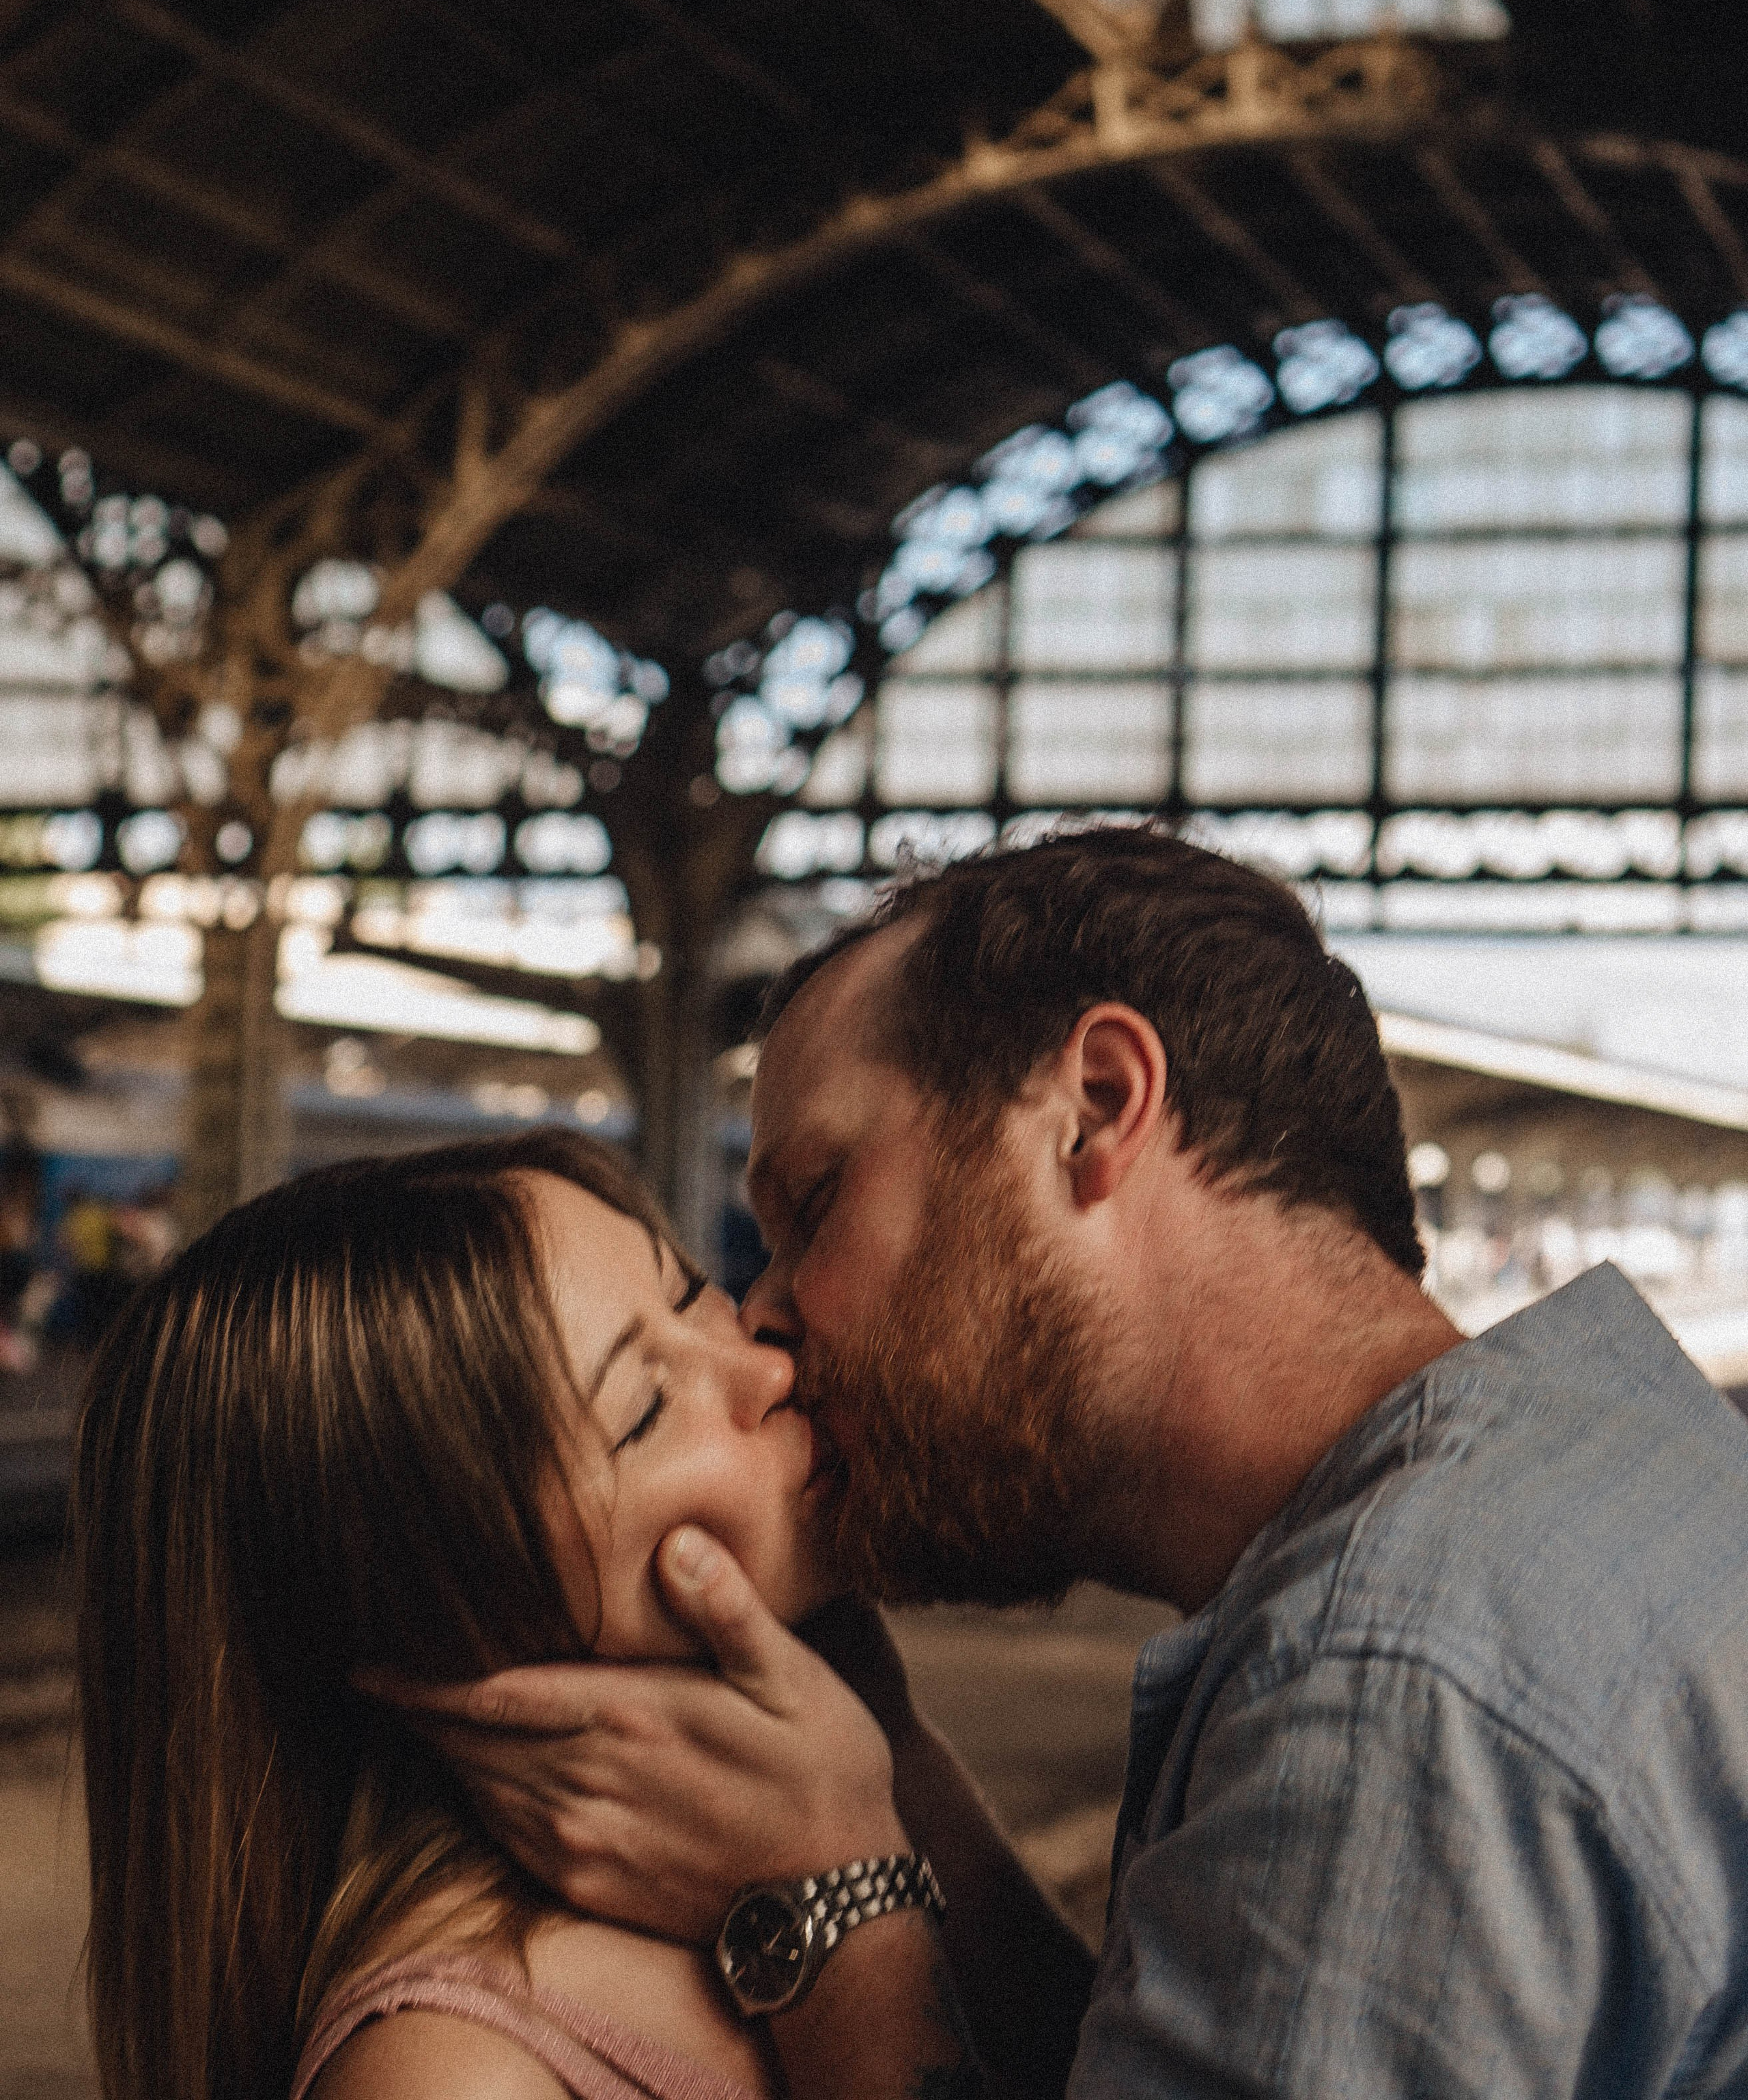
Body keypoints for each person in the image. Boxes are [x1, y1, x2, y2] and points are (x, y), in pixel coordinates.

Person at [396, 827, 1748, 2099]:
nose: (761, 1317)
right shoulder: (1608, 1467)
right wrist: (888, 1779)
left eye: (813, 1203)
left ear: (1094, 1110)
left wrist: (830, 1896)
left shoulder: (1390, 1689)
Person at [72, 1126, 974, 2100]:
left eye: (690, 1295)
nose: (768, 1368)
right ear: (445, 1615)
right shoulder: (447, 2076)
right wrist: (846, 1881)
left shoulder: (818, 1794)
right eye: (644, 1411)